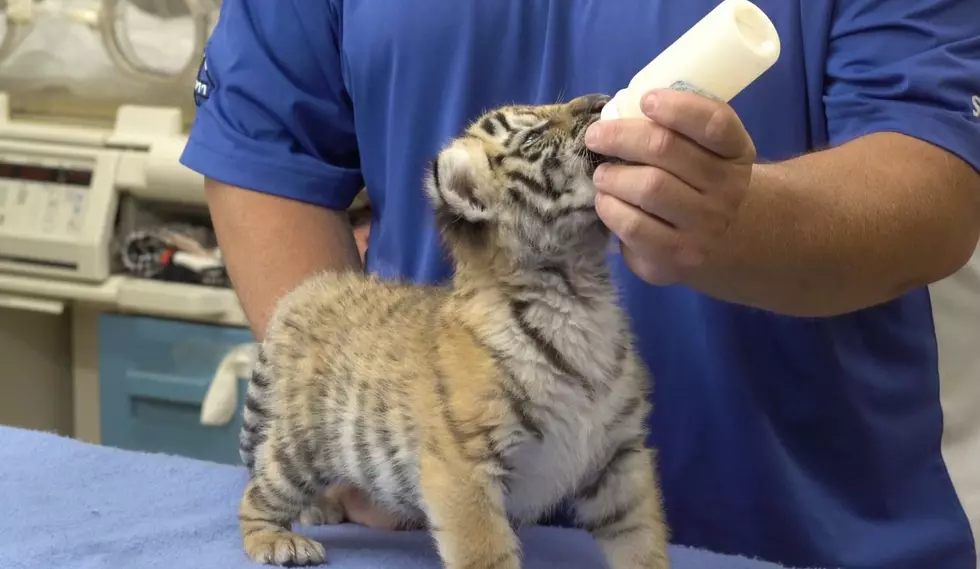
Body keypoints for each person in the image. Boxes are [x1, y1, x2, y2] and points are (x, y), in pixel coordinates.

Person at [179, 1, 980, 568]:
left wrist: (744, 224)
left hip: (805, 533)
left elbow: (940, 180)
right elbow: (267, 148)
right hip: (428, 529)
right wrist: (358, 439)